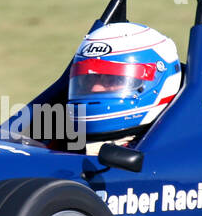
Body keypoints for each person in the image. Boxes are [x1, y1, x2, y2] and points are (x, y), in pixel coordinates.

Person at [67, 22, 181, 153]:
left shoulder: (173, 150)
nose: (95, 88)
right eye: (89, 80)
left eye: (114, 79)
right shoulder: (60, 138)